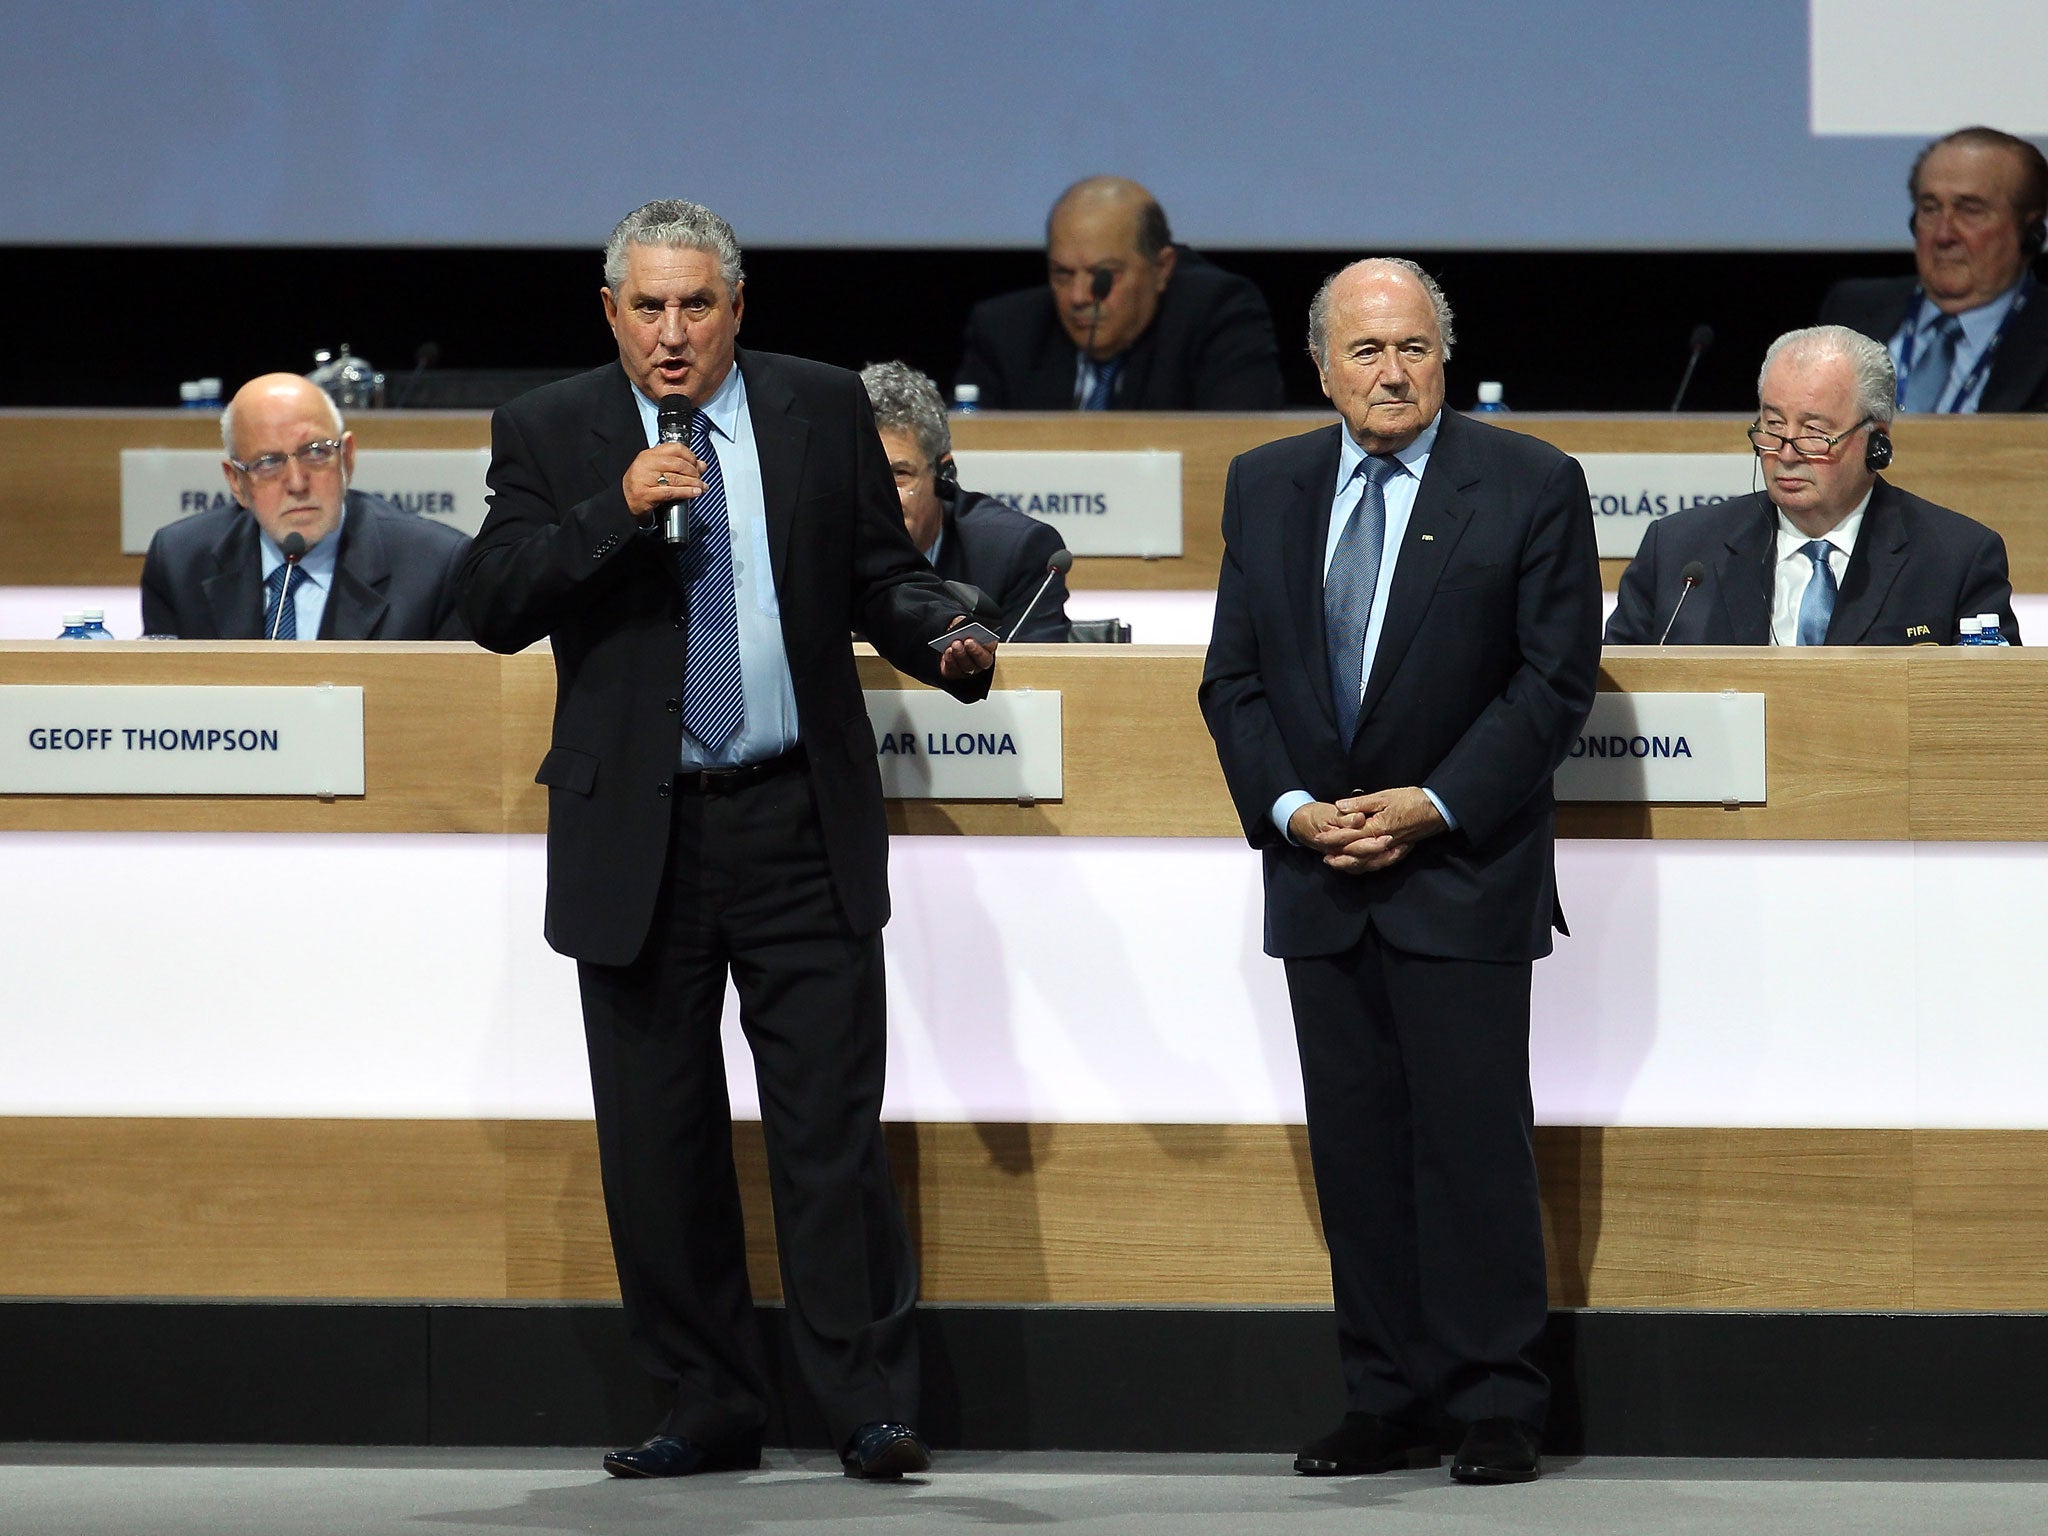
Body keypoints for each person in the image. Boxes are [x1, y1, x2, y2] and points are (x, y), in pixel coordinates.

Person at [456, 200, 996, 1484]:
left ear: (737, 308)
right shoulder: (551, 429)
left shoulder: (814, 406)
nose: (673, 333)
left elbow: (879, 574)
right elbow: (490, 603)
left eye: (696, 305)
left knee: (828, 1131)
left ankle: (862, 1403)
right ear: (611, 315)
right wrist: (615, 507)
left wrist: (945, 639)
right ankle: (704, 1401)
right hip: (637, 834)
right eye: (647, 308)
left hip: (796, 816)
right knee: (660, 1140)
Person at [1199, 258, 1602, 1486]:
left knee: (1471, 1148)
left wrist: (1427, 807)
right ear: (1321, 367)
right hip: (1318, 874)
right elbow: (1232, 680)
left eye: (1413, 347)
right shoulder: (1263, 484)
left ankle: (1494, 1401)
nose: (1391, 371)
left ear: (1445, 358)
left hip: (1460, 872)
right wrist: (1291, 812)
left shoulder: (1529, 482)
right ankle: (1386, 1395)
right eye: (1366, 350)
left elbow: (1551, 682)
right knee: (1358, 1153)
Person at [1606, 326, 2018, 646]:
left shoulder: (1957, 559)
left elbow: (1990, 714)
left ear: (1876, 442)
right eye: (1773, 426)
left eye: (1814, 433)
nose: (1786, 453)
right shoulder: (1678, 551)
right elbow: (1616, 703)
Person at [140, 373, 469, 639]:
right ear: (236, 482)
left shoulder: (434, 567)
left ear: (347, 458)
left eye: (316, 452)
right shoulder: (180, 561)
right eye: (268, 463)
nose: (297, 483)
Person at [955, 175, 1286, 411]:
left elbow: (1237, 451)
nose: (1079, 297)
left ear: (1163, 268)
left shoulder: (1218, 315)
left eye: (1103, 277)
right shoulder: (1005, 331)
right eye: (1062, 274)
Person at [1820, 126, 2048, 413]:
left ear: (2030, 232)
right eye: (1930, 208)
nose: (1943, 235)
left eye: (1970, 210)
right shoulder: (1852, 310)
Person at [860, 361, 1073, 640]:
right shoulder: (814, 548)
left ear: (943, 474)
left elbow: (1038, 678)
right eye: (863, 476)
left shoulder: (1014, 554)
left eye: (899, 474)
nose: (879, 497)